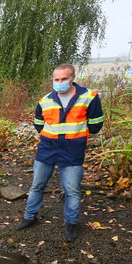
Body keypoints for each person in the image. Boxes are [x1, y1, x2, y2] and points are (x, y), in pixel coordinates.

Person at [16, 64, 104, 242]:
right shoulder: (45, 100)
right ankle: (29, 217)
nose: (60, 82)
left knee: (72, 190)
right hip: (47, 149)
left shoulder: (89, 97)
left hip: (73, 150)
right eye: (56, 79)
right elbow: (38, 124)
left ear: (72, 78)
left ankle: (71, 224)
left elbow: (96, 124)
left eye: (64, 79)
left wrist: (76, 137)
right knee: (37, 186)